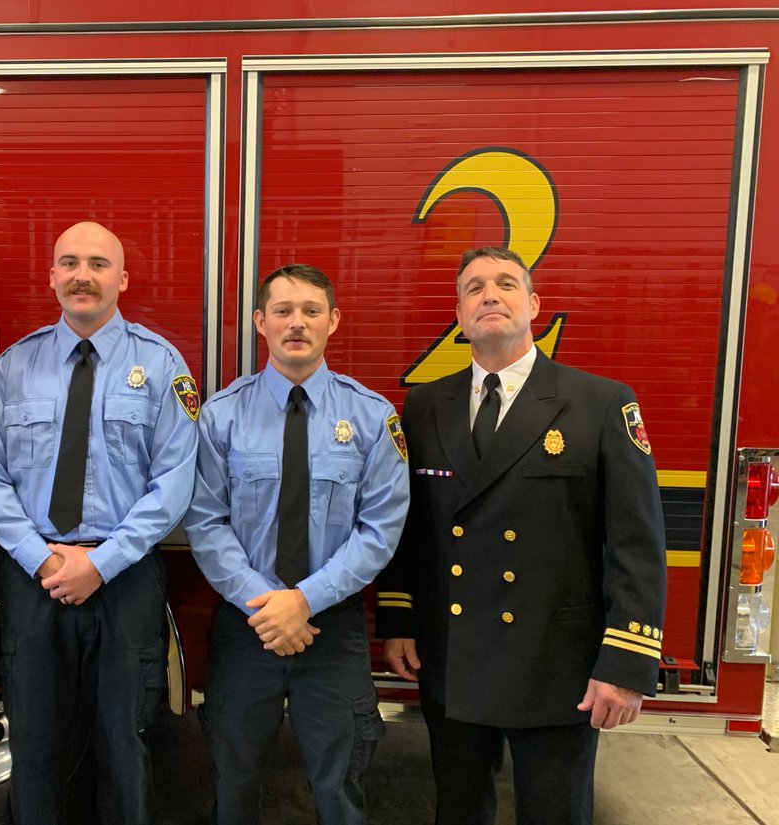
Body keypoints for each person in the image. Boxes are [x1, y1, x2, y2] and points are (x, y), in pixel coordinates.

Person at [375, 245, 668, 825]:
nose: (490, 294)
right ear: (459, 317)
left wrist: (626, 662)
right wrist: (399, 620)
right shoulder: (426, 405)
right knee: (458, 811)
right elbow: (409, 528)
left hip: (557, 666)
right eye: (474, 287)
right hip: (453, 656)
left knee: (555, 814)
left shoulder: (600, 402)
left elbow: (637, 543)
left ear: (533, 304)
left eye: (506, 284)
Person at [0, 221, 199, 824]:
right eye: (69, 263)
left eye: (98, 264)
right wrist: (41, 558)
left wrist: (101, 562)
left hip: (123, 579)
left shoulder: (162, 364)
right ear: (52, 277)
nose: (82, 276)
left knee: (125, 745)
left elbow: (174, 481)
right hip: (34, 575)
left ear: (122, 279)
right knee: (36, 747)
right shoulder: (15, 366)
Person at [184, 263, 410, 825]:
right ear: (260, 322)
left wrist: (304, 600)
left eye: (311, 311)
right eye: (282, 311)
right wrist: (267, 604)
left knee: (341, 788)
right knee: (232, 782)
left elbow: (380, 529)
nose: (297, 323)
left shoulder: (372, 416)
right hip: (247, 626)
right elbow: (205, 522)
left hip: (332, 629)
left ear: (333, 321)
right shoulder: (221, 416)